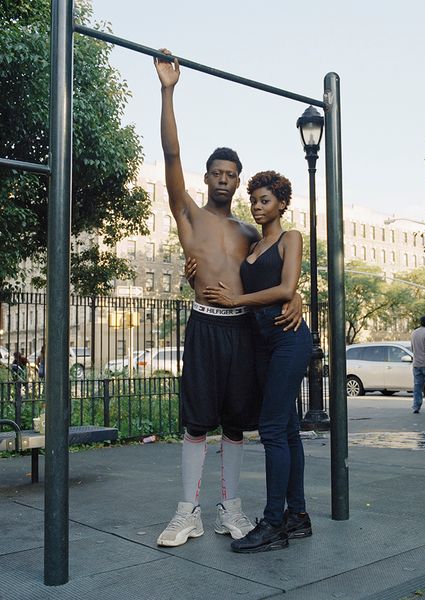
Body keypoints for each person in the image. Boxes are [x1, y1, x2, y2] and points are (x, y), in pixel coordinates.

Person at [154, 49, 302, 548]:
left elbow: (277, 272)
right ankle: (186, 513)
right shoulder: (189, 215)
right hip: (204, 325)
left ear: (239, 180)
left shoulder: (249, 232)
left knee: (237, 426)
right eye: (216, 172)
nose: (223, 178)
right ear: (206, 177)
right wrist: (168, 90)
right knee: (196, 424)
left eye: (231, 174)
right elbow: (171, 156)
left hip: (241, 332)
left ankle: (230, 510)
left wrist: (296, 298)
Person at [203, 170, 312, 553]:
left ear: (282, 203)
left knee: (271, 429)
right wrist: (192, 273)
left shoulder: (290, 238)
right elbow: (224, 269)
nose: (257, 207)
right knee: (287, 430)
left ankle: (273, 524)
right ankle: (297, 516)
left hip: (288, 338)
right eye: (253, 201)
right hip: (260, 342)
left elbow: (286, 287)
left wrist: (245, 301)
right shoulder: (251, 244)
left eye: (265, 200)